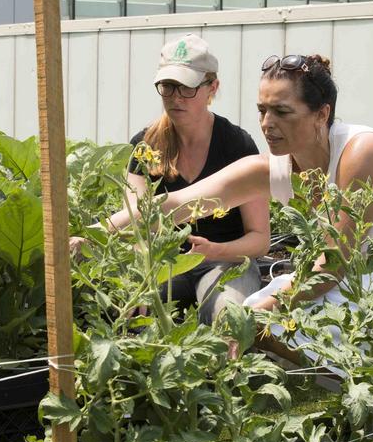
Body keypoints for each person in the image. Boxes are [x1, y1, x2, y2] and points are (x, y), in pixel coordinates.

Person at [94, 53, 373, 408]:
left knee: (258, 319)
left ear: (321, 114)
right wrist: (91, 235)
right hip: (370, 278)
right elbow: (174, 205)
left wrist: (256, 316)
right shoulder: (284, 164)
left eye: (282, 112)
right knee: (261, 320)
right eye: (262, 110)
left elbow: (331, 265)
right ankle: (355, 402)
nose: (267, 124)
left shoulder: (363, 152)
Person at [75, 34, 270, 325]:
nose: (176, 97)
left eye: (187, 87)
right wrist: (142, 277)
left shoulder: (237, 145)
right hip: (165, 262)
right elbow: (138, 225)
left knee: (229, 317)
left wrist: (217, 250)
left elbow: (260, 239)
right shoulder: (146, 145)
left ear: (212, 87)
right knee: (130, 309)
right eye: (168, 87)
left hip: (226, 261)